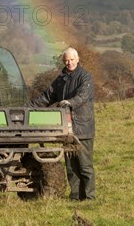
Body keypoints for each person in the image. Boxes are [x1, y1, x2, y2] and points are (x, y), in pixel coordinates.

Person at [28, 47, 96, 200]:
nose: (68, 63)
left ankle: (90, 198)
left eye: (71, 59)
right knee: (71, 168)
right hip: (67, 131)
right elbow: (46, 97)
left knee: (85, 166)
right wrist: (26, 108)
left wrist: (69, 103)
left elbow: (83, 96)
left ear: (77, 59)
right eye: (66, 60)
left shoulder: (85, 77)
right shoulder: (61, 79)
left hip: (83, 129)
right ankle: (75, 197)